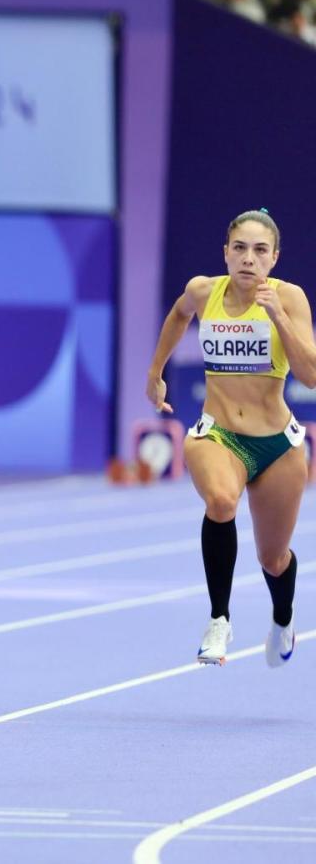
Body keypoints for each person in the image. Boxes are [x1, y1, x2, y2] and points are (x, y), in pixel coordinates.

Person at [147, 208, 314, 668]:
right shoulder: (205, 291)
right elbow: (178, 316)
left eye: (260, 250)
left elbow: (312, 375)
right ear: (225, 252)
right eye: (239, 248)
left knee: (273, 558)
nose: (248, 258)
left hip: (277, 444)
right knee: (221, 502)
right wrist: (155, 370)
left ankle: (283, 617)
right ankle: (219, 619)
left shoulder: (291, 298)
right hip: (218, 434)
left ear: (274, 258)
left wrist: (277, 315)